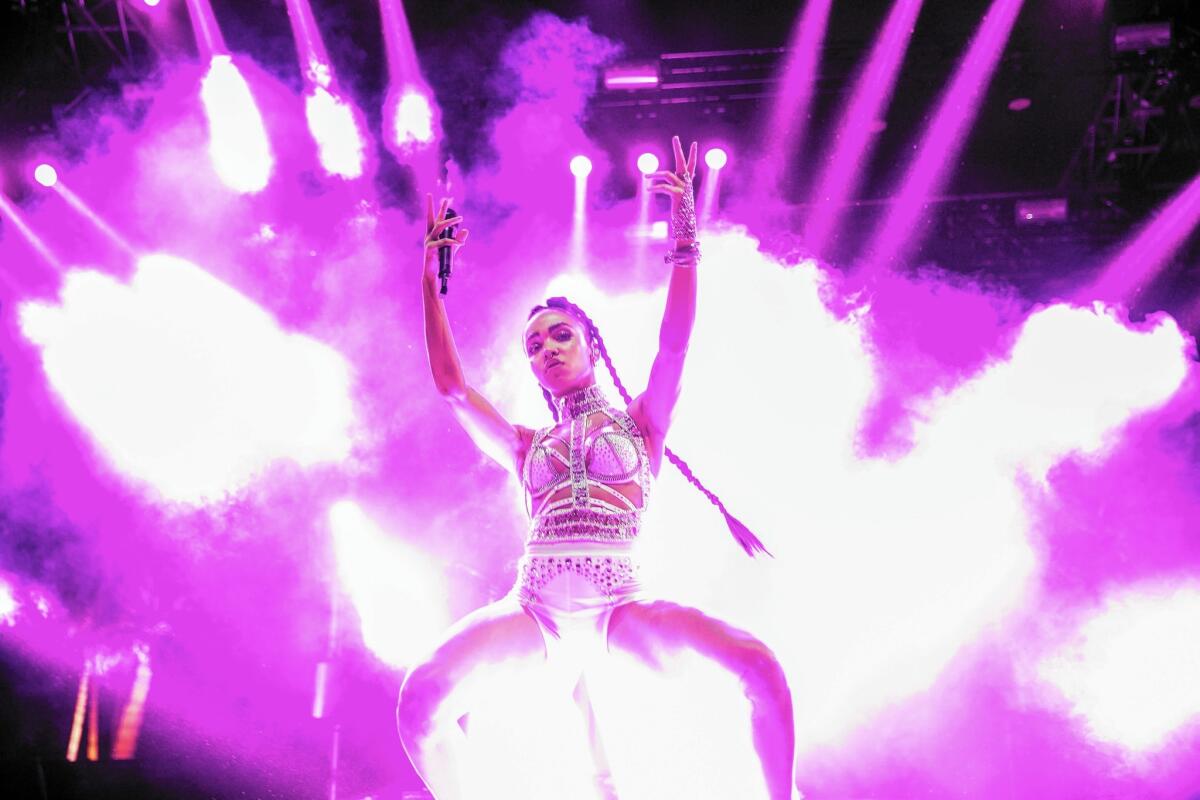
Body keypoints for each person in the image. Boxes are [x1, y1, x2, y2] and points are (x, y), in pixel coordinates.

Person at [396, 136, 795, 799]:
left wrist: (686, 238)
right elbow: (449, 388)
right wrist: (430, 278)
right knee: (421, 699)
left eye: (559, 334)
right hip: (537, 611)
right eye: (533, 344)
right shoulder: (525, 445)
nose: (546, 347)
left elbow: (675, 340)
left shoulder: (643, 422)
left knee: (759, 666)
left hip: (622, 607)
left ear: (590, 344)